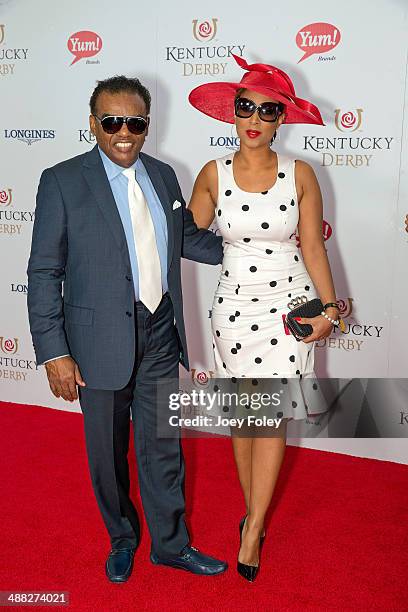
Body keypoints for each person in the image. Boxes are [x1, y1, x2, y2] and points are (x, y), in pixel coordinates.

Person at [27, 75, 228, 582]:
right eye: (111, 121)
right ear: (93, 123)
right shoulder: (62, 180)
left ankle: (171, 545)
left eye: (134, 122)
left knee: (164, 445)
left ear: (146, 124)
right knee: (107, 453)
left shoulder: (164, 175)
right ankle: (122, 537)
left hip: (161, 331)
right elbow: (44, 272)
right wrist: (55, 353)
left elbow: (188, 240)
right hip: (96, 343)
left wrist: (264, 243)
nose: (123, 132)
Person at [188, 54, 339, 582]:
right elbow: (187, 236)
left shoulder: (302, 174)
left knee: (269, 416)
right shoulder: (212, 174)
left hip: (288, 304)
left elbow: (315, 250)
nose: (254, 117)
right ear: (233, 113)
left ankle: (253, 527)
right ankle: (253, 510)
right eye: (245, 106)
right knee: (242, 417)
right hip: (232, 305)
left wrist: (329, 309)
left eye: (267, 110)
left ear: (281, 119)